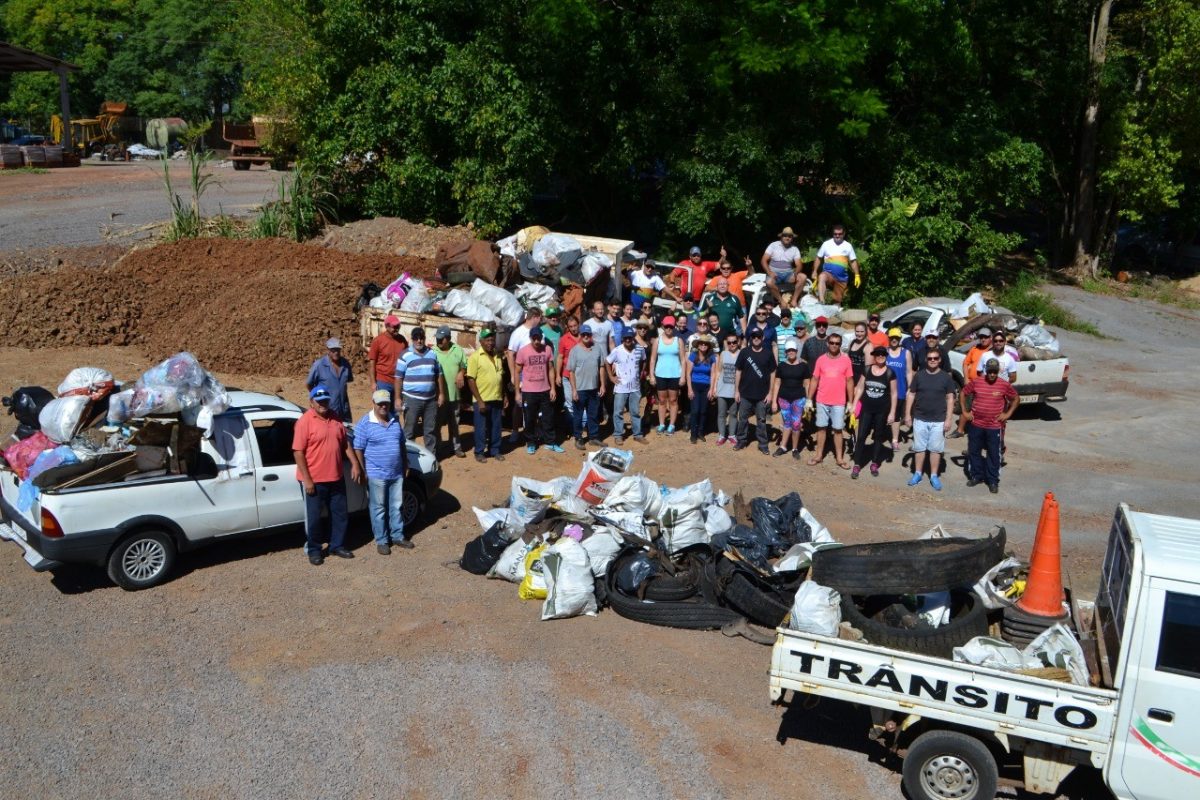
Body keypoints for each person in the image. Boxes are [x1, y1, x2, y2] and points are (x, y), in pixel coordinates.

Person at [293, 385, 361, 565]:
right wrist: (307, 479)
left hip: (336, 477)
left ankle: (337, 545)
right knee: (314, 519)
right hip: (314, 481)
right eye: (319, 400)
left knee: (339, 515)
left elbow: (345, 443)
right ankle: (314, 550)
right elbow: (298, 452)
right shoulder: (304, 422)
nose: (323, 403)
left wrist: (354, 463)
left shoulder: (335, 418)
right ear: (311, 402)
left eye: (325, 400)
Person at [353, 389, 411, 554]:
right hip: (376, 474)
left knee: (397, 506)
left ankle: (398, 536)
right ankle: (382, 540)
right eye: (380, 404)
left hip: (396, 473)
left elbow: (401, 443)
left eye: (386, 403)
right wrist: (363, 469)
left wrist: (405, 464)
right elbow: (358, 448)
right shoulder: (365, 422)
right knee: (378, 508)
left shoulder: (394, 420)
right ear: (373, 404)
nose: (383, 406)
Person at [962, 358, 1020, 493]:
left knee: (993, 454)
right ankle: (976, 476)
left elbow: (1016, 398)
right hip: (976, 424)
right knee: (974, 451)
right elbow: (964, 393)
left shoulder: (1003, 385)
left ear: (998, 371)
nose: (992, 374)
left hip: (994, 426)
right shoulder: (976, 382)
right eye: (990, 371)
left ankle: (992, 480)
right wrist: (965, 411)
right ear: (986, 370)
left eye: (994, 372)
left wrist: (1008, 414)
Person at [905, 347, 957, 491]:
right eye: (930, 358)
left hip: (939, 420)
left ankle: (934, 475)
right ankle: (918, 473)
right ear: (926, 360)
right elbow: (911, 395)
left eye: (935, 358)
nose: (932, 360)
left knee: (935, 449)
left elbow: (950, 398)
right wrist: (907, 414)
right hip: (920, 418)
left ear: (940, 360)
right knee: (919, 448)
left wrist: (949, 419)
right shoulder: (919, 376)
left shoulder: (946, 377)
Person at [806, 331, 855, 468]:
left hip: (839, 401)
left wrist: (850, 401)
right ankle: (818, 455)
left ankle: (839, 458)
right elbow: (814, 379)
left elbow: (850, 381)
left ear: (840, 345)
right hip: (822, 399)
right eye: (832, 343)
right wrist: (809, 399)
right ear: (827, 343)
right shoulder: (821, 359)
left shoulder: (846, 359)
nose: (834, 345)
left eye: (837, 343)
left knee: (838, 429)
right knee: (821, 428)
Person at [394, 327, 445, 453]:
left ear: (424, 338)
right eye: (416, 338)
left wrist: (441, 394)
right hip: (411, 400)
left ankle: (431, 458)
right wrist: (397, 398)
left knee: (430, 430)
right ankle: (409, 458)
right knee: (410, 430)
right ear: (412, 339)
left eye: (421, 338)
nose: (419, 341)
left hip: (430, 400)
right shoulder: (405, 355)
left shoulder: (433, 354)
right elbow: (398, 378)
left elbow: (439, 375)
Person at [850, 347, 897, 478]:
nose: (880, 356)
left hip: (882, 410)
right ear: (874, 356)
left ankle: (875, 463)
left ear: (886, 356)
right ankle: (857, 464)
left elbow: (894, 394)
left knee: (878, 437)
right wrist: (854, 404)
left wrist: (892, 412)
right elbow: (859, 388)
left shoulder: (890, 373)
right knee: (861, 436)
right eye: (877, 354)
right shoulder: (867, 369)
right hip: (867, 409)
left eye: (883, 354)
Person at [515, 326, 561, 454]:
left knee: (548, 417)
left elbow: (551, 369)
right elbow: (517, 371)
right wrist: (517, 392)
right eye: (534, 338)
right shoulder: (523, 351)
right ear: (530, 338)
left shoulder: (547, 349)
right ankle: (531, 442)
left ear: (541, 338)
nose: (536, 341)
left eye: (538, 338)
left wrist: (552, 388)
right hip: (529, 391)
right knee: (529, 418)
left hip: (545, 389)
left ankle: (550, 442)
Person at [466, 328, 507, 463]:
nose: (490, 342)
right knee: (481, 428)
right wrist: (479, 401)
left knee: (496, 426)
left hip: (496, 398)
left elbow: (501, 377)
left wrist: (504, 395)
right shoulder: (475, 357)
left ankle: (495, 450)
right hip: (482, 400)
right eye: (487, 340)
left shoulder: (498, 356)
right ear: (481, 341)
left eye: (492, 340)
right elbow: (471, 380)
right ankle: (479, 452)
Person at [733, 328, 776, 453]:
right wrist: (736, 391)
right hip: (745, 393)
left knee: (761, 421)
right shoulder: (744, 352)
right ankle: (741, 441)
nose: (756, 338)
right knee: (743, 419)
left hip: (762, 395)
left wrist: (770, 393)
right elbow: (738, 371)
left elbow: (773, 372)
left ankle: (763, 444)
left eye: (758, 336)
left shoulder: (768, 353)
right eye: (754, 336)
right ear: (751, 338)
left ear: (762, 338)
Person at [506, 307, 544, 443]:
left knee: (537, 404)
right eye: (540, 318)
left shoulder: (540, 332)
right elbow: (510, 354)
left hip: (538, 374)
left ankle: (536, 430)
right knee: (519, 403)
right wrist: (512, 374)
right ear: (534, 317)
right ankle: (515, 431)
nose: (541, 321)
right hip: (522, 374)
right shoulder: (519, 333)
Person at [566, 324, 607, 449]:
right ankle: (578, 438)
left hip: (594, 388)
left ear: (591, 335)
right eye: (583, 334)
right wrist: (573, 390)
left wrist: (603, 385)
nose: (585, 336)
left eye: (588, 334)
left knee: (593, 414)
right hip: (580, 389)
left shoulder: (597, 349)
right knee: (578, 415)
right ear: (580, 335)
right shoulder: (575, 351)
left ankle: (593, 437)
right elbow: (571, 371)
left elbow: (601, 367)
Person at [950, 327, 995, 438]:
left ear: (991, 338)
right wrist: (966, 378)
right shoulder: (975, 349)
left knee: (983, 410)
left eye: (986, 337)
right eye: (981, 337)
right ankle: (960, 430)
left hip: (985, 386)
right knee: (966, 407)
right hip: (971, 383)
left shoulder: (993, 352)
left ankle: (983, 433)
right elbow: (966, 363)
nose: (983, 339)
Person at [770, 338, 810, 459]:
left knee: (796, 424)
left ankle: (795, 448)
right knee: (787, 422)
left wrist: (808, 400)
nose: (791, 352)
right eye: (788, 350)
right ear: (786, 352)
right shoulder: (781, 366)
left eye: (793, 350)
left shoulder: (803, 366)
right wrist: (774, 401)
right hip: (784, 399)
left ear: (796, 351)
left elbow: (807, 383)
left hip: (799, 398)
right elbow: (777, 383)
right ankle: (783, 446)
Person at [433, 326, 467, 459]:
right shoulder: (433, 352)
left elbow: (465, 365)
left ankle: (456, 447)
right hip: (439, 397)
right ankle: (438, 448)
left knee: (455, 424)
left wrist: (461, 373)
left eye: (441, 339)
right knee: (437, 425)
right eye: (437, 339)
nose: (439, 341)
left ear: (448, 339)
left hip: (454, 395)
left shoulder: (458, 350)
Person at [607, 329, 647, 444]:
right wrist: (611, 377)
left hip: (635, 386)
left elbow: (644, 360)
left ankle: (637, 434)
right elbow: (607, 361)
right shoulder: (617, 350)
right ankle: (618, 434)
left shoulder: (639, 349)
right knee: (618, 411)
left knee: (635, 411)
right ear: (622, 339)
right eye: (626, 338)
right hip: (621, 386)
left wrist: (641, 373)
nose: (628, 340)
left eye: (630, 337)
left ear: (633, 337)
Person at [649, 315, 685, 434]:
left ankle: (672, 425)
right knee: (662, 400)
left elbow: (683, 360)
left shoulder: (678, 341)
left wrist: (683, 376)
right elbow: (653, 359)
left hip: (675, 375)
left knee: (673, 400)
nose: (669, 328)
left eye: (671, 326)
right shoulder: (657, 341)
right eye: (666, 326)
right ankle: (661, 424)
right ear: (663, 326)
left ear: (674, 326)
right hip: (660, 375)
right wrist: (652, 375)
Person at [306, 337, 354, 422]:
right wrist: (316, 399)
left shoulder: (346, 364)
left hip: (343, 409)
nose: (336, 352)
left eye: (338, 350)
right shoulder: (319, 365)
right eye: (333, 350)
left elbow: (347, 380)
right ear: (328, 350)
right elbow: (309, 384)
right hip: (326, 407)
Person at [812, 224, 860, 303]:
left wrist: (857, 275)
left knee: (837, 302)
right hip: (828, 274)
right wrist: (814, 271)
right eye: (835, 234)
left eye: (840, 234)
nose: (837, 236)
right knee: (822, 276)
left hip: (841, 278)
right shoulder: (826, 244)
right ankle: (821, 301)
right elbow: (818, 258)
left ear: (844, 234)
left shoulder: (848, 246)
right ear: (833, 234)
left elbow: (853, 261)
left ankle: (835, 311)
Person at [761, 226, 807, 306]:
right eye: (785, 235)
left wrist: (795, 274)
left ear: (792, 238)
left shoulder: (794, 249)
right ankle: (782, 301)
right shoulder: (773, 245)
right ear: (781, 236)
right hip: (774, 273)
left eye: (790, 236)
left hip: (788, 273)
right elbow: (763, 260)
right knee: (769, 282)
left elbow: (799, 265)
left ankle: (794, 300)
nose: (787, 238)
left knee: (803, 277)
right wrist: (769, 272)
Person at [885, 327, 913, 450]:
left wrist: (910, 388)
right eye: (892, 338)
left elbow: (908, 372)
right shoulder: (885, 352)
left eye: (896, 338)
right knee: (883, 414)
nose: (894, 340)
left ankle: (895, 440)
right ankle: (881, 435)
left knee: (896, 416)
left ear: (900, 339)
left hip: (900, 390)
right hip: (885, 391)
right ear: (889, 338)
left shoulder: (905, 352)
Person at [686, 335, 717, 443]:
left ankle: (700, 432)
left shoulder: (711, 357)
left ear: (708, 346)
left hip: (706, 386)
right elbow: (688, 373)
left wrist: (712, 389)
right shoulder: (693, 356)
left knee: (703, 411)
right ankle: (693, 434)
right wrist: (689, 389)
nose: (703, 345)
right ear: (698, 345)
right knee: (695, 411)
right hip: (694, 385)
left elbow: (713, 374)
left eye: (705, 344)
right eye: (701, 343)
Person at [366, 316, 408, 392]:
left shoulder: (402, 340)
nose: (397, 328)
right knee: (383, 403)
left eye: (398, 326)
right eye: (394, 326)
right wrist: (373, 383)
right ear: (386, 326)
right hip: (383, 381)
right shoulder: (378, 341)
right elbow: (372, 363)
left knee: (397, 404)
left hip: (399, 381)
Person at [699, 277, 744, 344]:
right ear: (717, 286)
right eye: (720, 284)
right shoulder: (709, 298)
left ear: (728, 286)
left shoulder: (734, 299)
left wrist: (744, 335)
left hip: (730, 337)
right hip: (711, 336)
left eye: (724, 284)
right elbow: (700, 315)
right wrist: (708, 309)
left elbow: (741, 317)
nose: (722, 286)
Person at [714, 334, 740, 445]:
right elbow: (718, 371)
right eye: (729, 342)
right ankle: (721, 435)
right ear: (726, 343)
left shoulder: (741, 354)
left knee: (733, 414)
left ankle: (732, 435)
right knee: (721, 414)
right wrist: (715, 386)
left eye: (734, 342)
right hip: (722, 389)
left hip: (735, 390)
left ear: (738, 342)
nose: (732, 344)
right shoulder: (723, 354)